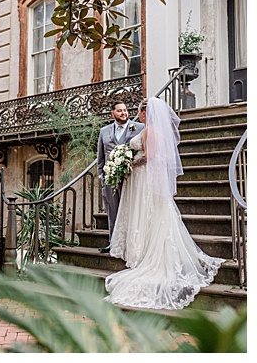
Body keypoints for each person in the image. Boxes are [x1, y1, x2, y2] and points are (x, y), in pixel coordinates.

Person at [105, 98, 224, 310]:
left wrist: (128, 162)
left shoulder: (150, 131)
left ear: (144, 114)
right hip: (141, 179)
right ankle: (140, 247)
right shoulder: (151, 130)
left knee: (147, 213)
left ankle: (143, 250)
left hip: (143, 177)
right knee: (147, 214)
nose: (139, 116)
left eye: (141, 112)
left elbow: (149, 156)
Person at [96, 100, 145, 253]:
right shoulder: (104, 131)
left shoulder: (139, 128)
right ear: (113, 113)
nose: (123, 113)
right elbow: (100, 156)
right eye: (119, 111)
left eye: (125, 110)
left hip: (131, 177)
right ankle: (113, 244)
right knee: (112, 210)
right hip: (110, 178)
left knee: (130, 210)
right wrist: (102, 176)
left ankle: (130, 245)